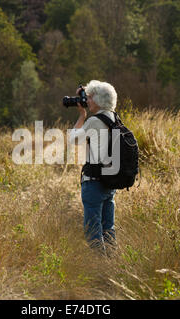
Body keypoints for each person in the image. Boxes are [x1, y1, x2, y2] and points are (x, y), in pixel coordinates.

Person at [69, 80, 118, 254]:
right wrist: (85, 93)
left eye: (89, 98)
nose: (87, 101)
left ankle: (100, 265)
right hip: (110, 181)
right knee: (108, 228)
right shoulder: (114, 118)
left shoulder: (95, 121)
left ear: (98, 100)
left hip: (93, 183)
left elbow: (73, 140)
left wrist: (81, 116)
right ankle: (113, 263)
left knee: (92, 229)